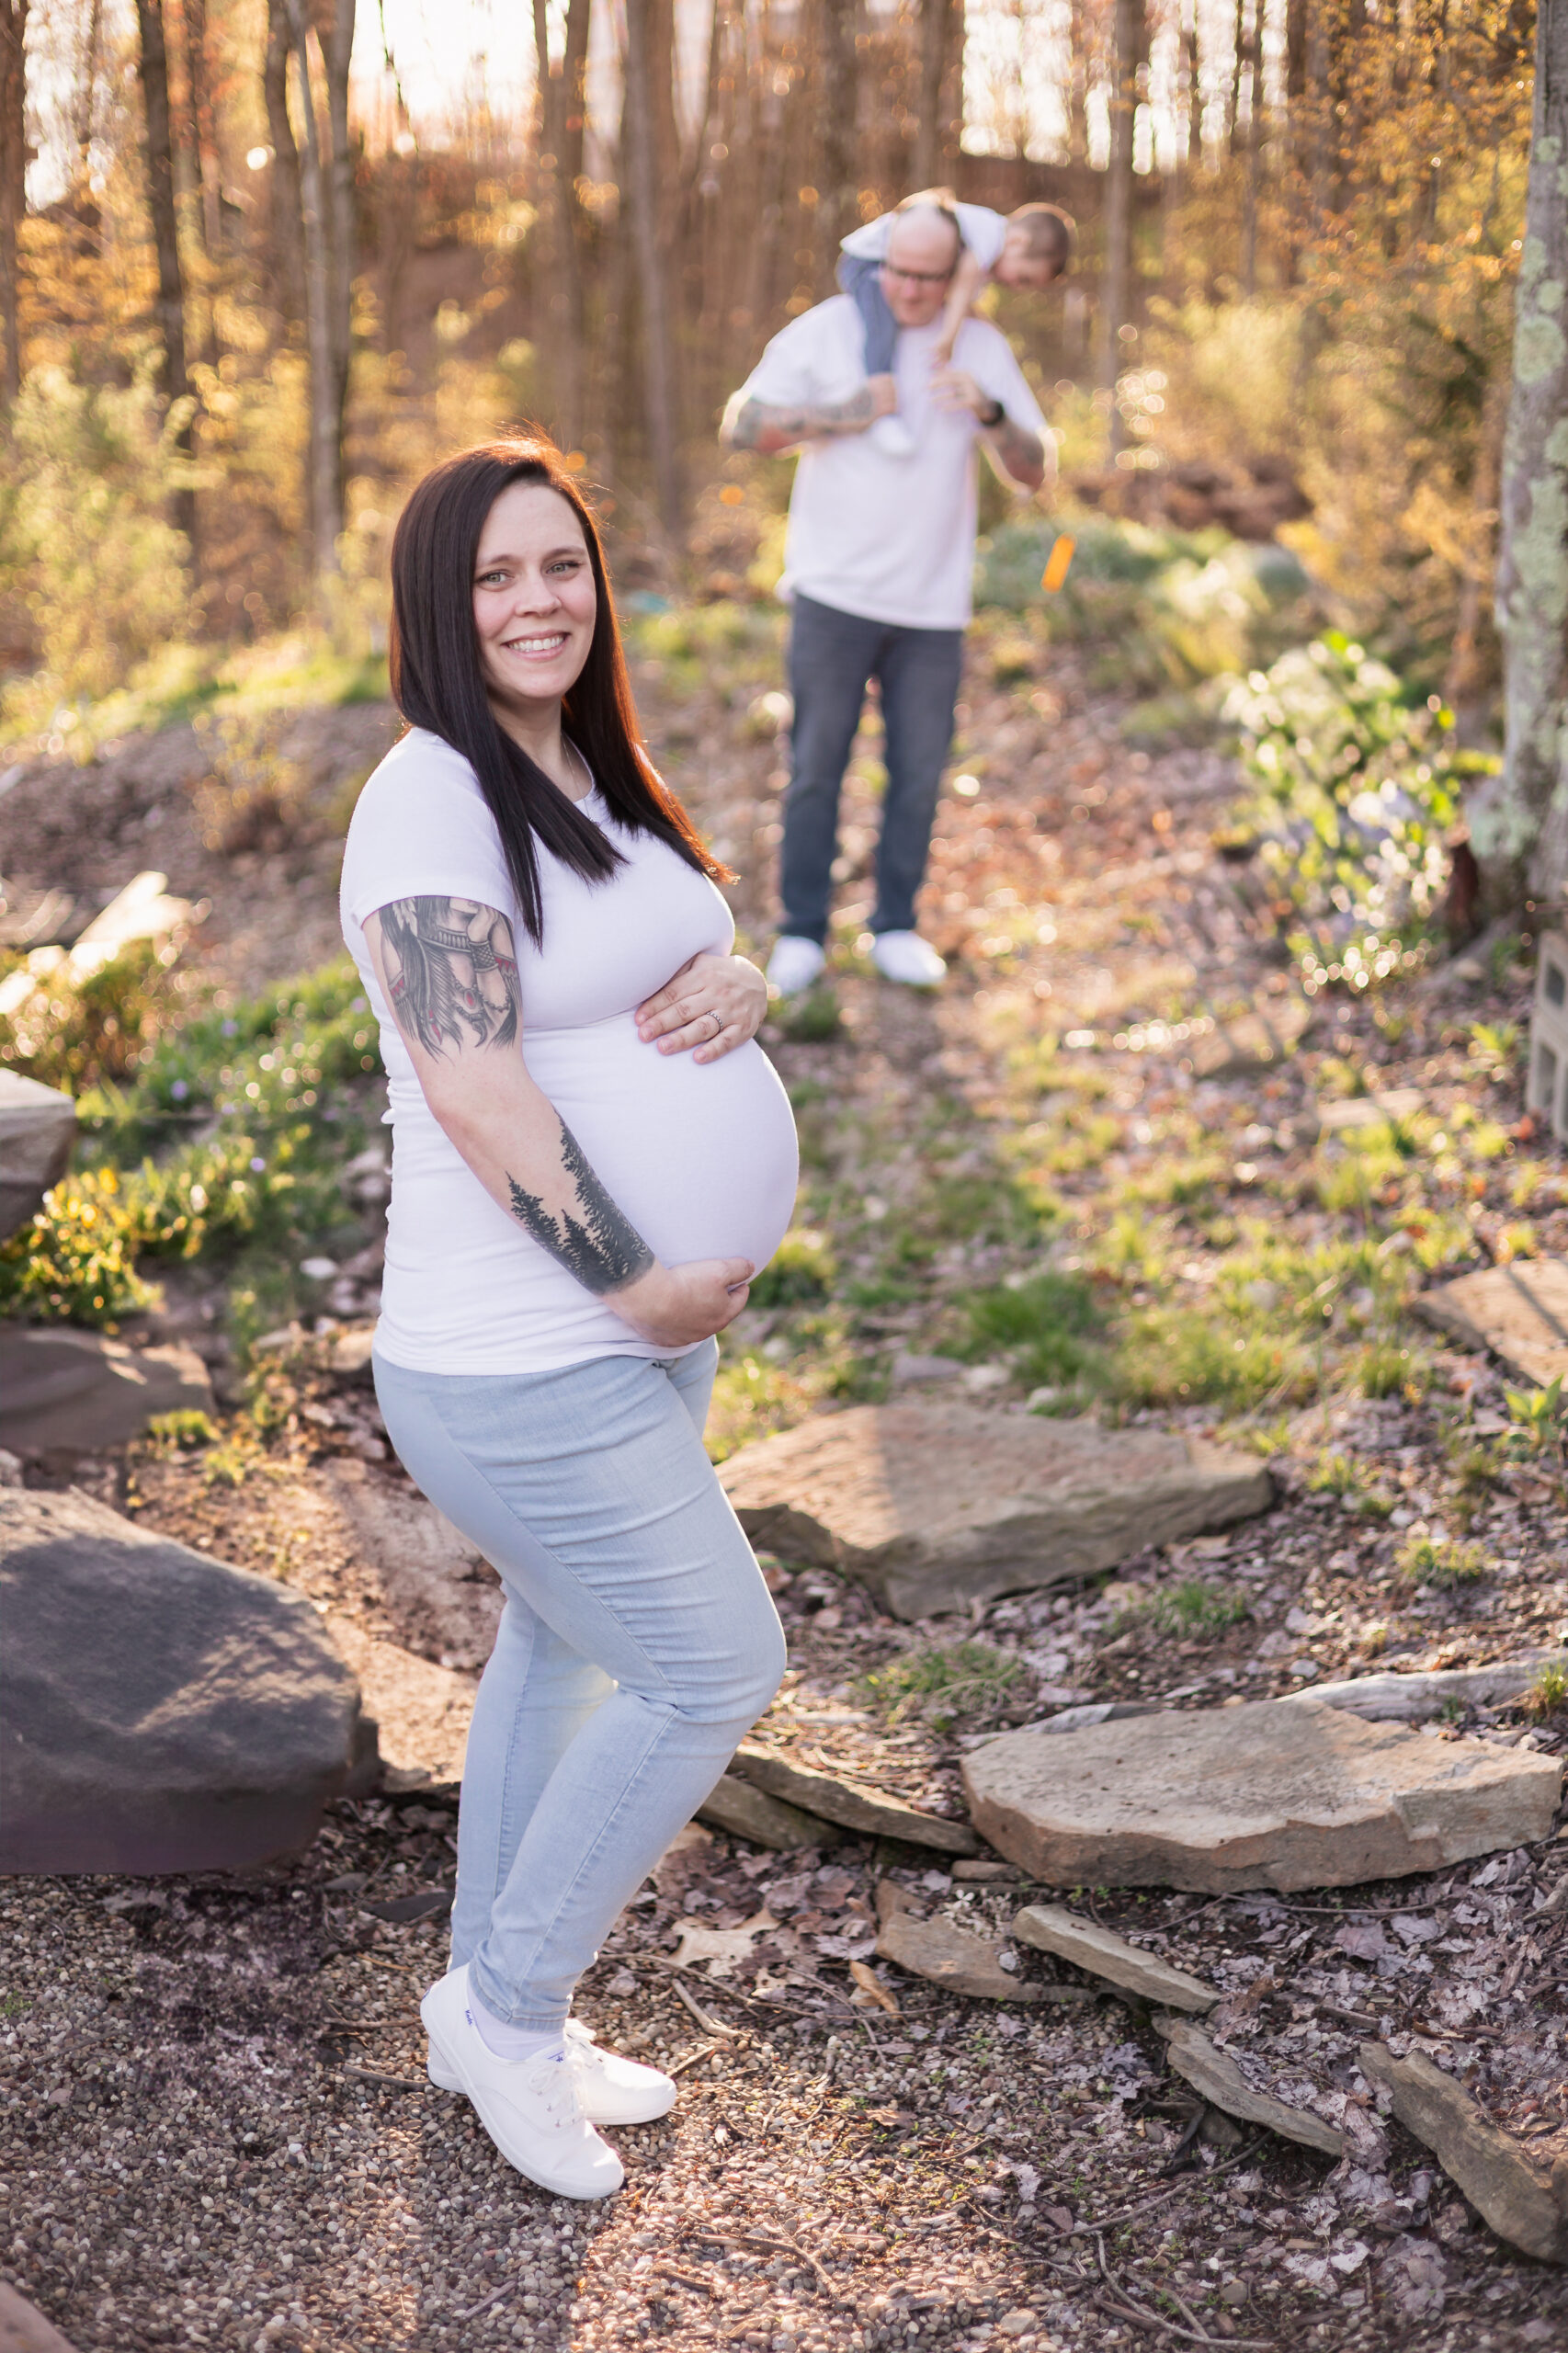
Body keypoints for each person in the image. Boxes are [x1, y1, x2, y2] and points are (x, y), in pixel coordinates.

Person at [338, 437, 798, 2200]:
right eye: (495, 578)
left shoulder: (580, 767)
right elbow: (472, 1086)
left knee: (564, 1645)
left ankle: (489, 1999)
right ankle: (512, 2009)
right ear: (439, 611)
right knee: (714, 1666)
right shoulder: (432, 796)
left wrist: (736, 970)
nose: (538, 603)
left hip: (624, 1344)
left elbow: (662, 951)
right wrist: (636, 1275)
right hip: (524, 1354)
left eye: (561, 567)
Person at [722, 202, 1052, 995]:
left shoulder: (982, 346)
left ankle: (895, 928)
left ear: (957, 274)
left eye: (927, 276)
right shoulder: (830, 328)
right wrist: (844, 412)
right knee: (815, 768)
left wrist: (992, 412)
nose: (908, 290)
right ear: (881, 263)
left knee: (917, 774)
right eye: (897, 271)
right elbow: (742, 424)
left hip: (932, 611)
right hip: (833, 597)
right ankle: (801, 932)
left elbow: (1035, 469)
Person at [838, 190, 1074, 459]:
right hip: (864, 263)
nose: (1017, 287)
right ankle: (882, 410)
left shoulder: (985, 242)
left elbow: (964, 300)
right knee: (880, 327)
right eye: (1023, 278)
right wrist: (948, 338)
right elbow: (961, 289)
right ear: (1019, 241)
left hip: (881, 266)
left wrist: (987, 327)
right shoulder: (990, 235)